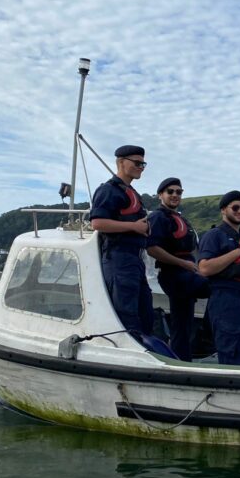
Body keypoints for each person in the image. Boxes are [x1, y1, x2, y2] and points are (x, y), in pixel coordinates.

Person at [197, 191, 240, 365]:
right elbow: (204, 268)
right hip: (227, 300)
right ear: (223, 210)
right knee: (234, 356)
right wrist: (237, 252)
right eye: (235, 207)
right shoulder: (214, 236)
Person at [89, 145, 153, 338]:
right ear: (120, 162)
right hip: (119, 259)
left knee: (145, 313)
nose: (141, 167)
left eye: (143, 164)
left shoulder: (130, 192)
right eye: (136, 163)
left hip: (135, 260)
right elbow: (97, 222)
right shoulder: (108, 190)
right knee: (126, 314)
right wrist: (134, 227)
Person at [147, 177, 210, 360]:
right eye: (170, 192)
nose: (175, 195)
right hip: (174, 274)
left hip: (187, 272)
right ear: (161, 195)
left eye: (179, 192)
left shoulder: (179, 218)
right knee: (219, 290)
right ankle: (205, 339)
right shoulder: (158, 217)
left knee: (183, 322)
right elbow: (152, 248)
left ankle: (182, 357)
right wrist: (183, 264)